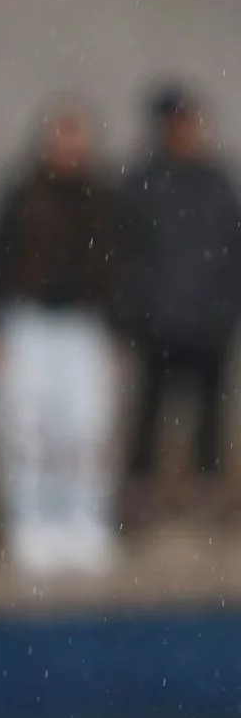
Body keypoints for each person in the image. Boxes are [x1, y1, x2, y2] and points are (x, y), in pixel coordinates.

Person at [0, 99, 126, 577]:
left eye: (77, 136)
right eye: (61, 136)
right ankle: (32, 523)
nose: (69, 147)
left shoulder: (102, 198)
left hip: (86, 327)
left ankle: (85, 521)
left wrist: (120, 332)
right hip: (29, 324)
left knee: (86, 429)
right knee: (29, 428)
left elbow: (120, 270)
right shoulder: (20, 195)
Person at [118, 83, 241, 525]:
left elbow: (232, 245)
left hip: (210, 321)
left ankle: (208, 497)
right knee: (148, 412)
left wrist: (226, 307)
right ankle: (140, 499)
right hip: (158, 322)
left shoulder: (216, 180)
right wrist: (136, 312)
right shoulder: (141, 183)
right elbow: (125, 254)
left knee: (210, 413)